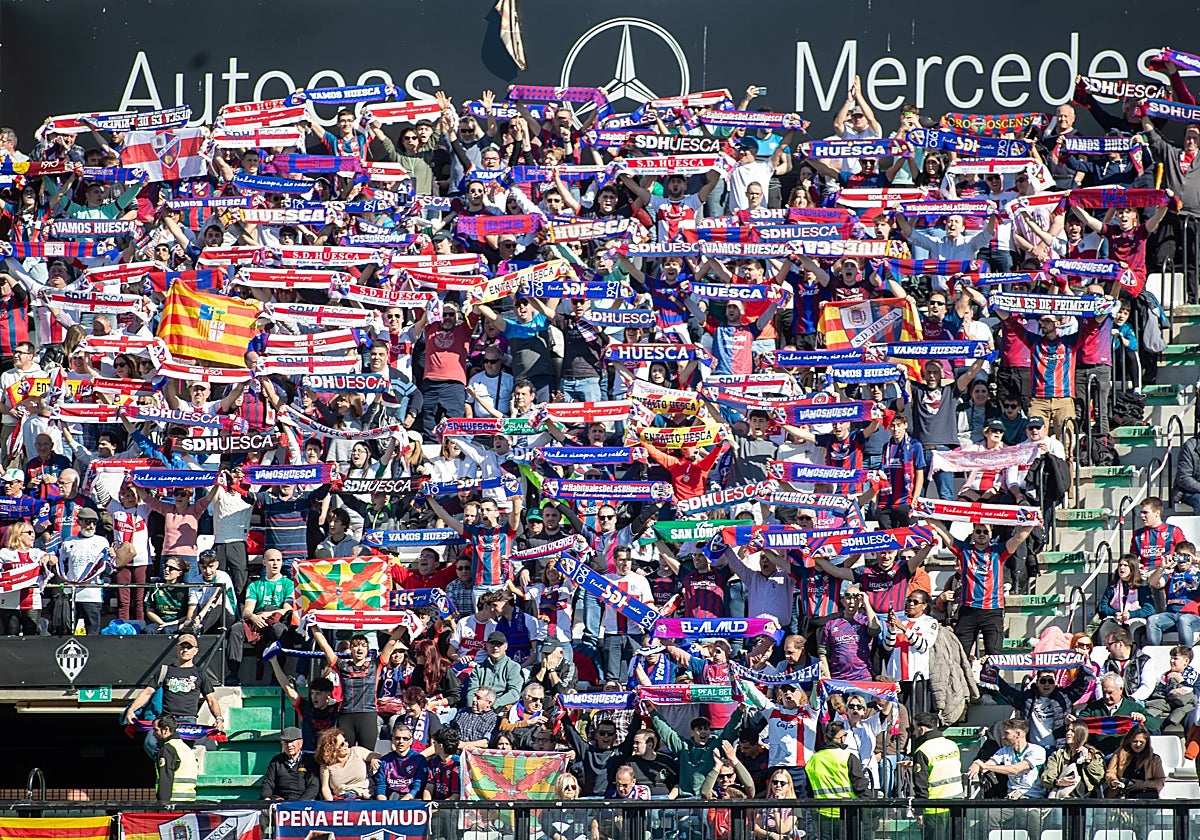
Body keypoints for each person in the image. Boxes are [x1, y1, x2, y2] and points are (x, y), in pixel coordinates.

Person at [124, 633, 223, 758]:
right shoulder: (165, 670)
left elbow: (211, 700)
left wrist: (219, 719)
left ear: (195, 651)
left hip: (188, 721)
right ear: (177, 648)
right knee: (150, 743)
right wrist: (131, 710)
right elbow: (147, 692)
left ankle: (174, 768)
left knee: (182, 752)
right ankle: (166, 765)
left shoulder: (200, 674)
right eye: (182, 647)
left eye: (189, 647)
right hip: (166, 719)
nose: (185, 650)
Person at [313, 624, 406, 749]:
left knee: (368, 755)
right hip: (346, 715)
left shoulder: (376, 665)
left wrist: (404, 626)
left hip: (368, 715)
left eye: (363, 645)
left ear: (368, 649)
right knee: (344, 755)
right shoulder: (342, 666)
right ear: (350, 649)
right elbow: (324, 645)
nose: (359, 649)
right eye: (356, 645)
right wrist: (313, 625)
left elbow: (390, 643)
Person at [966, 719, 1046, 833]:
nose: (1003, 736)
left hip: (1033, 800)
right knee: (990, 815)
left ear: (1018, 734)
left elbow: (1015, 769)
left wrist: (984, 766)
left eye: (1007, 733)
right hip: (1011, 800)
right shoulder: (1004, 751)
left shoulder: (1037, 751)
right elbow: (987, 764)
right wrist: (976, 764)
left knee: (1032, 818)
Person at [806, 721, 871, 840]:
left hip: (823, 815)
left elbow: (809, 790)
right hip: (849, 814)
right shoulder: (848, 757)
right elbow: (860, 786)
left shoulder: (813, 760)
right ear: (842, 739)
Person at [1078, 673, 1161, 755]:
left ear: (1121, 689)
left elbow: (1155, 725)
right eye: (1104, 692)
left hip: (1126, 753)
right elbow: (1080, 723)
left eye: (1110, 692)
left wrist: (1143, 719)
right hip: (1097, 752)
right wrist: (1074, 721)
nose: (1106, 696)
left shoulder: (1134, 707)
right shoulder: (1094, 707)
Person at [911, 712, 964, 840]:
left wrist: (919, 811)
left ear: (921, 729)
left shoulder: (922, 751)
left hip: (934, 809)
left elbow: (921, 785)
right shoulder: (952, 745)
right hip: (956, 805)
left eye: (915, 729)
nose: (914, 733)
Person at [1040, 721, 1106, 800]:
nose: (1068, 733)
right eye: (1067, 730)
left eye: (1073, 731)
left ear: (1081, 734)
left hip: (1087, 797)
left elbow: (1100, 778)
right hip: (1063, 797)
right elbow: (1046, 778)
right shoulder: (1058, 754)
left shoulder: (1094, 754)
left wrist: (1088, 760)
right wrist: (1057, 782)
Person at [315, 727, 377, 801]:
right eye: (342, 744)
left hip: (363, 796)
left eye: (346, 740)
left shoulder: (356, 751)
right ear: (332, 749)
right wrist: (331, 804)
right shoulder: (326, 765)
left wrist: (373, 759)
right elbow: (325, 788)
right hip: (341, 799)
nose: (346, 744)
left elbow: (374, 755)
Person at [466, 631, 524, 710]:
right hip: (477, 707)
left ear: (506, 646)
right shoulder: (478, 668)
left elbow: (514, 693)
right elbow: (472, 692)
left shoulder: (514, 667)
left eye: (499, 645)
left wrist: (492, 705)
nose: (495, 648)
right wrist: (473, 708)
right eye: (492, 644)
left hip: (501, 709)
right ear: (486, 646)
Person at [1104, 724, 1164, 799]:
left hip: (1144, 796)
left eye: (1141, 742)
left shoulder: (1154, 759)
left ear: (1146, 742)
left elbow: (1160, 781)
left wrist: (1139, 785)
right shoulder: (1119, 754)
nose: (1138, 745)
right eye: (1135, 741)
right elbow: (1110, 772)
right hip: (1121, 794)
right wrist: (1113, 781)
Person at [260, 726, 320, 801]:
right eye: (285, 742)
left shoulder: (309, 760)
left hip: (302, 803)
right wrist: (266, 799)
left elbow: (313, 786)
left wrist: (300, 804)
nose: (289, 745)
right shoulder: (276, 761)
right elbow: (268, 782)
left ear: (301, 742)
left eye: (292, 741)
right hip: (280, 802)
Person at [375, 723, 430, 800]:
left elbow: (418, 786)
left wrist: (405, 800)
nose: (401, 741)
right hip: (390, 799)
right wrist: (384, 804)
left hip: (411, 800)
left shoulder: (419, 759)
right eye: (397, 738)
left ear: (411, 741)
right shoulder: (385, 760)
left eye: (405, 738)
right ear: (393, 740)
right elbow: (381, 786)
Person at [154, 714, 197, 803]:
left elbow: (165, 779)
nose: (154, 734)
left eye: (156, 730)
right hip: (189, 803)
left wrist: (162, 805)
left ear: (166, 730)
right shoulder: (186, 748)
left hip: (172, 805)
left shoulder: (167, 749)